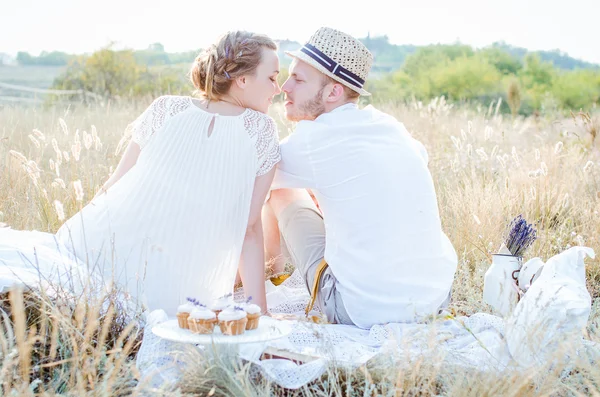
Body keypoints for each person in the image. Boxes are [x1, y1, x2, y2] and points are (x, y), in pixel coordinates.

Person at [1, 30, 282, 316]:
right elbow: (249, 228)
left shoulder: (165, 108)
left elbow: (113, 185)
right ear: (242, 80)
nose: (278, 88)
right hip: (179, 286)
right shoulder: (261, 130)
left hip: (107, 253)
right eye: (272, 78)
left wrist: (78, 232)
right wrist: (259, 310)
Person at [263, 27, 458, 329]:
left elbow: (255, 176)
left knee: (277, 190)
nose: (284, 87)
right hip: (433, 303)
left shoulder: (317, 139)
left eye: (298, 79)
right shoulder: (390, 127)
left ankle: (270, 276)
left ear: (333, 92)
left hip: (361, 310)